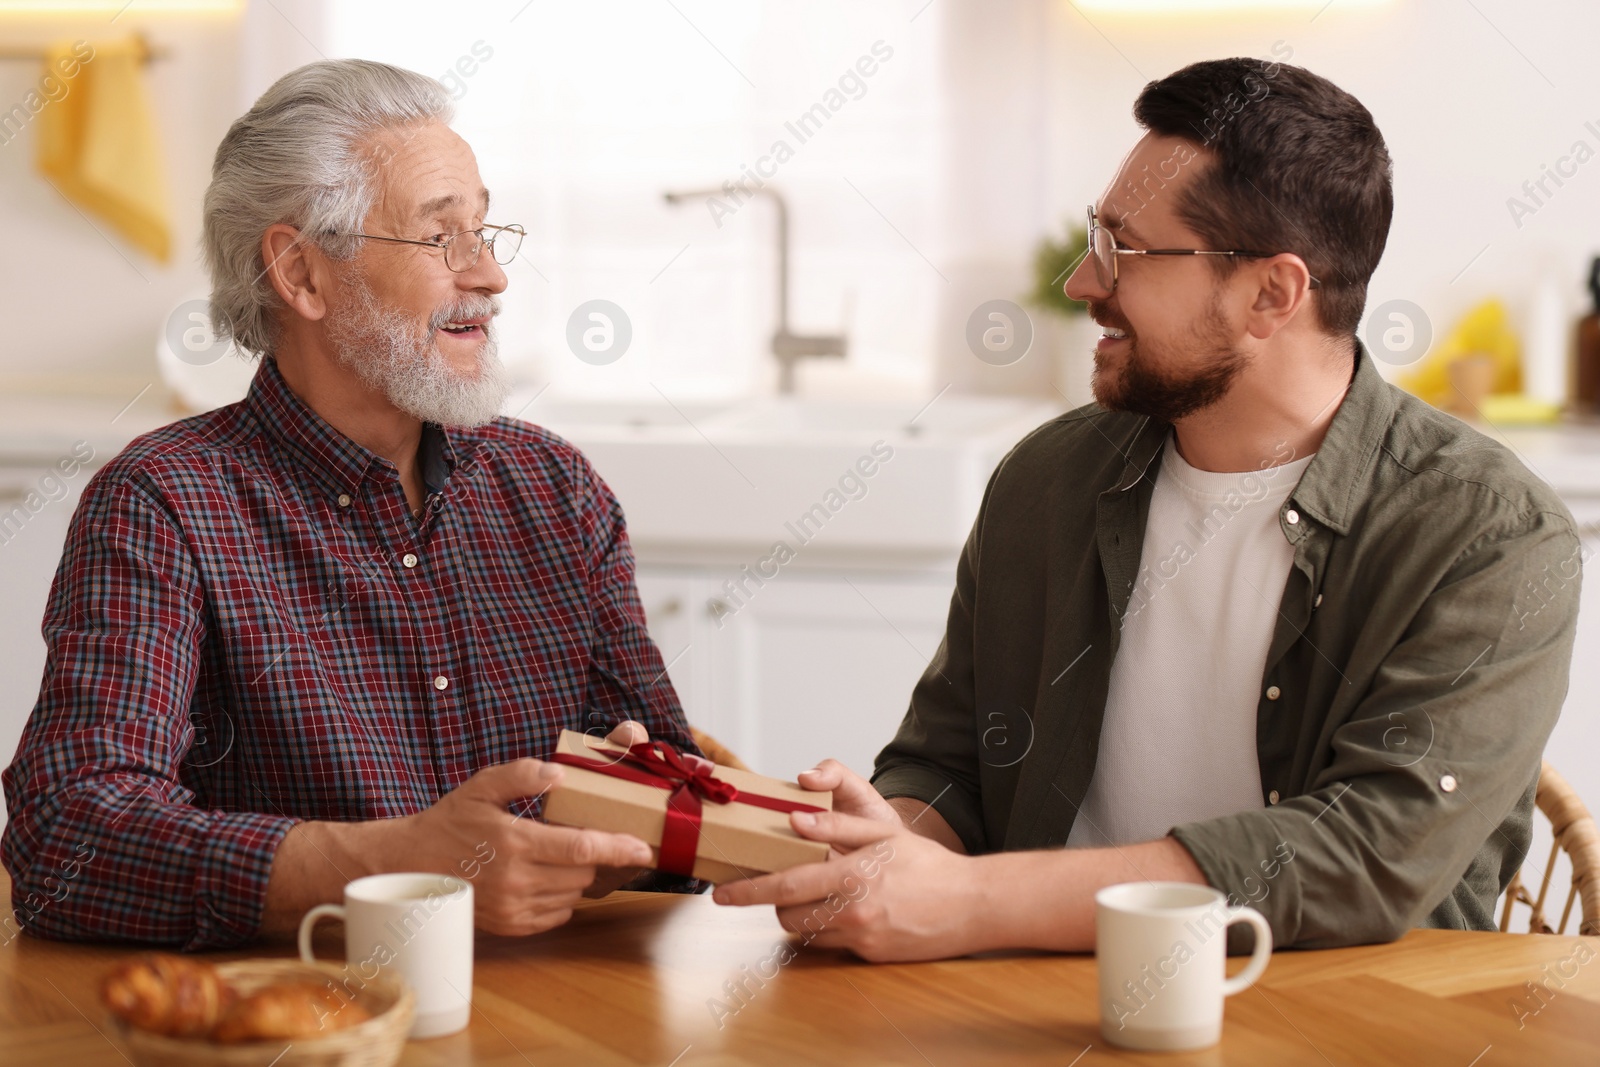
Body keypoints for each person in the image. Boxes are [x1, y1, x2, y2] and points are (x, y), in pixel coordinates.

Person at [715, 58, 1582, 960]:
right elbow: (950, 764)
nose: (1083, 283)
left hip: (1349, 1024)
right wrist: (886, 848)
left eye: (1124, 250)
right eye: (1099, 237)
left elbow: (1365, 854)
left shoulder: (1487, 534)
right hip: (1029, 1015)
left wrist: (970, 899)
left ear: (1271, 294)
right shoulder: (1046, 479)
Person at [2, 59, 698, 950]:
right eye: (442, 237)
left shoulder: (554, 489)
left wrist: (706, 820)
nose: (489, 276)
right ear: (301, 274)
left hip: (557, 1014)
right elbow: (67, 838)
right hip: (306, 1025)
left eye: (486, 231)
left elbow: (674, 792)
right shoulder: (164, 503)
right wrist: (391, 867)